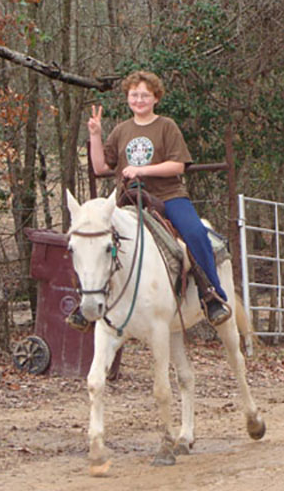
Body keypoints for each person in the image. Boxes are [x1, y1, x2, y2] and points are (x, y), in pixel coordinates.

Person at [88, 70, 231, 326]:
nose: (139, 100)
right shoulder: (121, 130)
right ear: (127, 98)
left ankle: (211, 295)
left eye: (145, 95)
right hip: (130, 199)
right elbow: (99, 167)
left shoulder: (166, 126)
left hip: (168, 196)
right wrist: (95, 135)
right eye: (134, 95)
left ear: (156, 98)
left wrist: (141, 170)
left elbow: (177, 166)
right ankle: (88, 304)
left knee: (196, 233)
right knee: (91, 238)